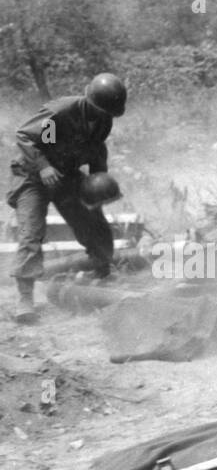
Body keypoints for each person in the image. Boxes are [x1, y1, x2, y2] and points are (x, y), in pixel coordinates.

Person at [7, 73, 127, 321]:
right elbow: (30, 138)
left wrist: (98, 183)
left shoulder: (104, 120)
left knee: (92, 217)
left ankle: (102, 270)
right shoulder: (60, 113)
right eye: (100, 110)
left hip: (65, 175)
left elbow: (95, 149)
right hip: (34, 176)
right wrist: (43, 167)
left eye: (108, 113)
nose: (104, 116)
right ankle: (25, 296)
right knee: (31, 232)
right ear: (89, 101)